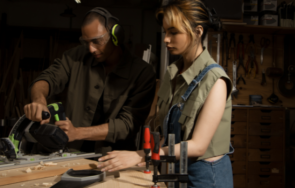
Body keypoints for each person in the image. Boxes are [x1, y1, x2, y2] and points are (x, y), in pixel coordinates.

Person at [97, 1, 234, 187]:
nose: (166, 39)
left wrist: (142, 154)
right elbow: (166, 131)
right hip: (176, 168)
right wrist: (147, 159)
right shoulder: (172, 73)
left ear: (198, 32)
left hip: (206, 177)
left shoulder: (215, 80)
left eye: (174, 32)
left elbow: (198, 145)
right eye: (165, 32)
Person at [23, 7, 156, 155]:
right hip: (70, 152)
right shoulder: (76, 56)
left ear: (116, 36)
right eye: (86, 42)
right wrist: (39, 100)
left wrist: (77, 133)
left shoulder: (142, 73)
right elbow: (47, 78)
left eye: (97, 41)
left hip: (113, 157)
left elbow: (127, 125)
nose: (91, 49)